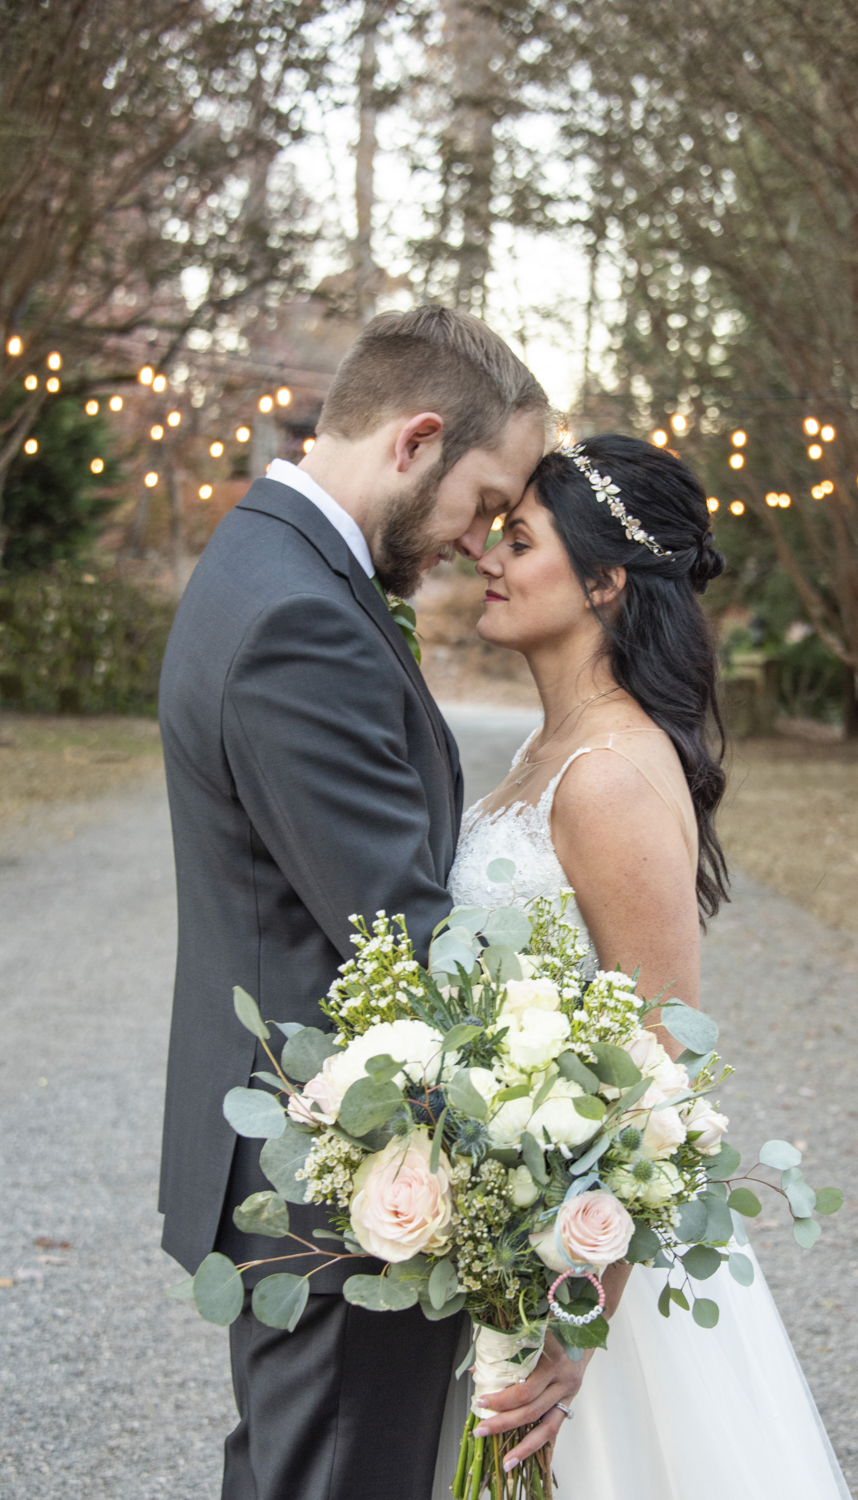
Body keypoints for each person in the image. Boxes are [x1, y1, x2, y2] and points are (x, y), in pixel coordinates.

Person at [156, 306, 549, 1500]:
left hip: (310, 1168)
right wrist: (568, 1088)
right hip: (344, 1186)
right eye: (483, 502)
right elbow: (401, 933)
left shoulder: (272, 563)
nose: (482, 543)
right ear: (416, 440)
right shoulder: (300, 618)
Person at [442, 435, 852, 1498]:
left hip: (590, 1273)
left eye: (518, 539)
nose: (488, 556)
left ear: (604, 581)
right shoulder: (553, 749)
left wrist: (581, 1330)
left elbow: (662, 1072)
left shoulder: (610, 775)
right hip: (517, 1223)